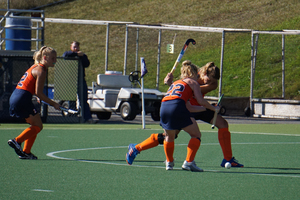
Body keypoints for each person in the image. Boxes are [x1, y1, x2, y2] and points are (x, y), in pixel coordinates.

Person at [126, 62, 243, 168]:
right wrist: (169, 82)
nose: (210, 83)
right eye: (209, 79)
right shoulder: (192, 75)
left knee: (223, 124)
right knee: (170, 135)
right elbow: (180, 88)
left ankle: (228, 159)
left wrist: (171, 83)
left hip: (199, 108)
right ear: (203, 72)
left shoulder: (212, 84)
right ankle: (136, 148)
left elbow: (191, 89)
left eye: (213, 81)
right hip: (185, 108)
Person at [8, 46, 61, 159]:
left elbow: (34, 89)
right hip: (22, 98)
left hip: (17, 96)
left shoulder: (35, 66)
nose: (55, 61)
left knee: (35, 125)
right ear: (45, 58)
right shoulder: (41, 70)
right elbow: (39, 93)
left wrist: (38, 96)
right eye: (53, 58)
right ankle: (17, 141)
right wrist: (54, 104)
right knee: (38, 126)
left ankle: (26, 152)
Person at [62, 41, 95, 123]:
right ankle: (72, 118)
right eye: (74, 47)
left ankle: (87, 118)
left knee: (83, 100)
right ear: (71, 47)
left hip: (81, 80)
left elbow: (86, 64)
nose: (76, 49)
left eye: (77, 47)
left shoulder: (82, 56)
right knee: (71, 100)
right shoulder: (69, 54)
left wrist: (82, 56)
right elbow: (65, 56)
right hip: (71, 80)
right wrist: (75, 54)